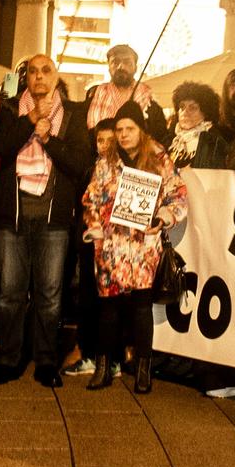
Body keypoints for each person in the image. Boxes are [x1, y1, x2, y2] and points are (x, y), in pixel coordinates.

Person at [0, 55, 94, 386]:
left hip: (54, 219)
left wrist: (48, 140)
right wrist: (30, 119)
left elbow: (79, 163)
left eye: (45, 71)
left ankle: (46, 362)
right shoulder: (9, 109)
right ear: (26, 78)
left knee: (50, 295)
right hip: (14, 216)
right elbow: (1, 146)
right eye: (32, 72)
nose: (39, 77)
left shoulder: (74, 113)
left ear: (56, 76)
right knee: (10, 294)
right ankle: (8, 360)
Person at [80, 102, 189, 394]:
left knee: (142, 307)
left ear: (141, 129)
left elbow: (178, 195)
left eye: (130, 128)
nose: (124, 134)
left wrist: (162, 219)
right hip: (110, 246)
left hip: (143, 247)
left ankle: (143, 369)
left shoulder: (158, 159)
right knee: (108, 308)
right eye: (119, 129)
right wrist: (96, 229)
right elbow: (91, 199)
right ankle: (103, 367)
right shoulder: (105, 164)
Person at [84, 43, 165, 132]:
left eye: (127, 62)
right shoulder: (95, 94)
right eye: (115, 62)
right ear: (109, 67)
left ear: (135, 68)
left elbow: (159, 135)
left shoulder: (149, 99)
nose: (121, 66)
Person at [168, 81, 230, 170]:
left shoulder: (214, 142)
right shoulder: (174, 142)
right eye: (182, 107)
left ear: (205, 113)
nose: (185, 112)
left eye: (192, 108)